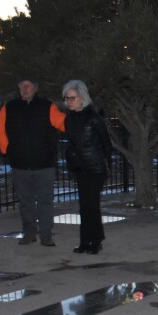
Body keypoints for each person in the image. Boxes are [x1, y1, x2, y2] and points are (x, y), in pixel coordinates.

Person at [0, 75, 66, 246]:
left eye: (28, 85)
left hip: (44, 165)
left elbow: (63, 123)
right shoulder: (10, 108)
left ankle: (46, 234)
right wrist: (7, 150)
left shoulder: (47, 107)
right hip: (20, 165)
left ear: (35, 87)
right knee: (25, 202)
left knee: (45, 202)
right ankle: (29, 233)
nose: (24, 89)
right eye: (21, 86)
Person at [60, 80, 112, 254]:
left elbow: (106, 143)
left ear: (82, 98)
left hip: (96, 167)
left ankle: (96, 240)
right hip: (80, 167)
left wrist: (106, 164)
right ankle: (84, 241)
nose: (69, 101)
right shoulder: (69, 119)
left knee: (92, 205)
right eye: (67, 98)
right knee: (84, 206)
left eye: (73, 98)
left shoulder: (94, 118)